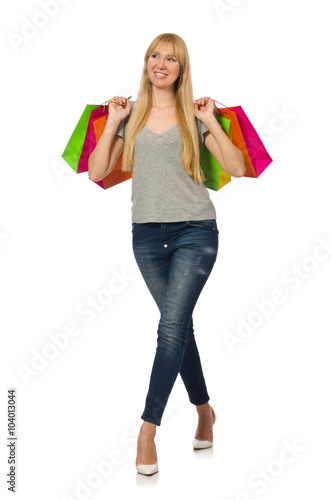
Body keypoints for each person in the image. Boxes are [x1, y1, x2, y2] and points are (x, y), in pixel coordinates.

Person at [88, 32, 245, 476]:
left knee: (170, 328)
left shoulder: (193, 115)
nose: (161, 63)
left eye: (171, 59)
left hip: (196, 231)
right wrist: (115, 121)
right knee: (180, 330)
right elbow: (98, 173)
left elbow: (236, 167)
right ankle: (205, 411)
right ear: (146, 63)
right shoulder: (131, 115)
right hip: (146, 237)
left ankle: (147, 430)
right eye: (155, 55)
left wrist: (212, 121)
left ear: (181, 69)